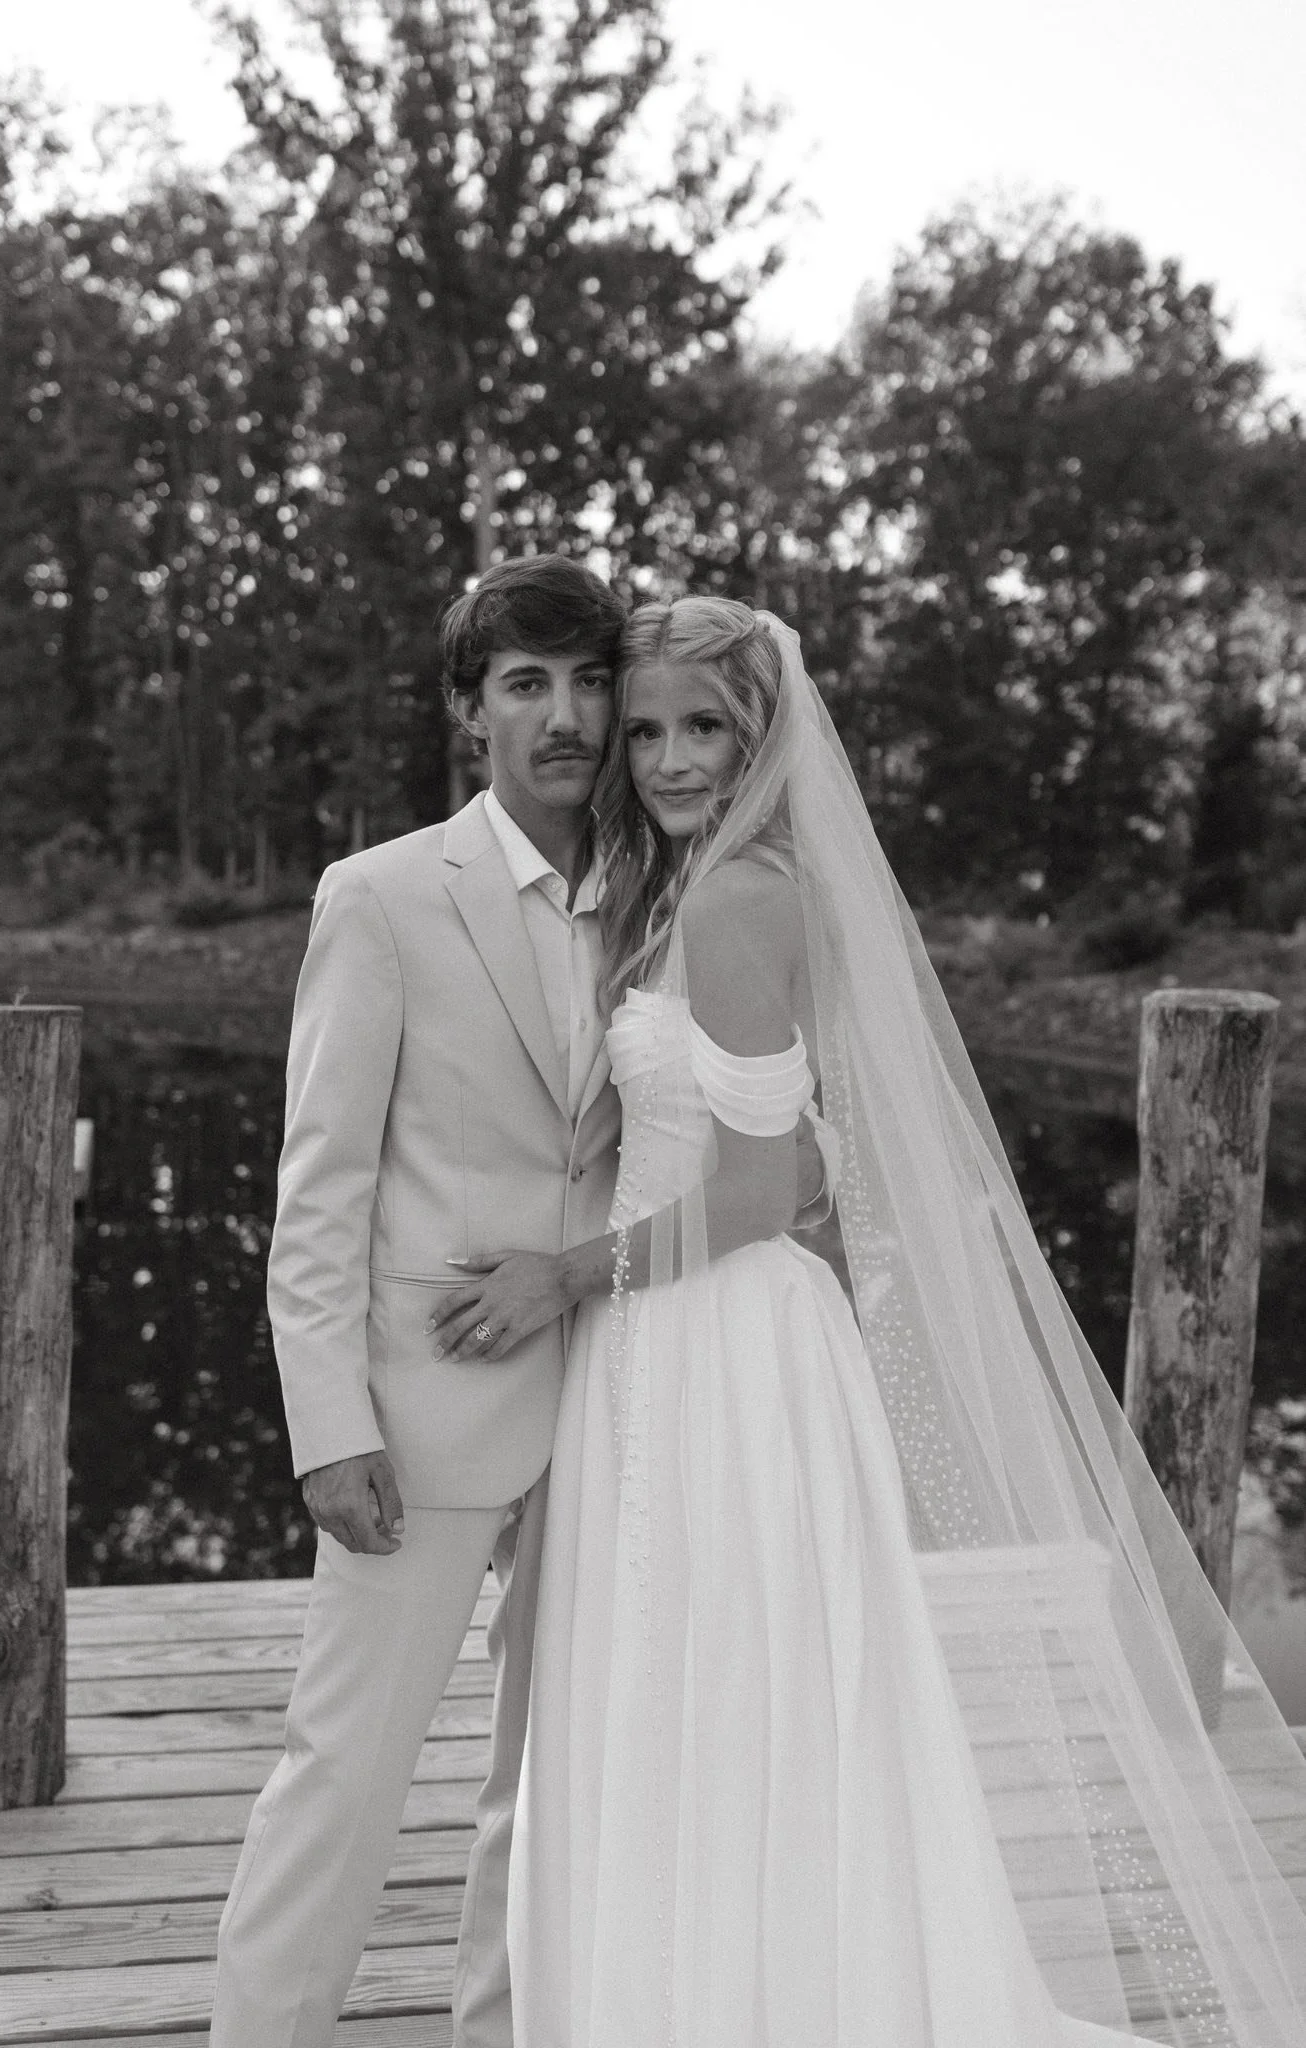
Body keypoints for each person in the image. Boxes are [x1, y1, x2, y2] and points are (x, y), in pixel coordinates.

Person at [431, 598, 1306, 2046]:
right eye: (644, 728)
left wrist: (560, 1274)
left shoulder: (736, 895)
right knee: (699, 1684)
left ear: (763, 731)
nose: (664, 759)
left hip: (714, 1341)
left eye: (701, 725)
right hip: (671, 1336)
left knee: (718, 1687)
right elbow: (803, 1147)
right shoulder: (698, 882)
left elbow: (760, 1187)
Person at [208, 554, 628, 2048]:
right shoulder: (380, 897)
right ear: (472, 713)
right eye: (527, 684)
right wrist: (327, 1422)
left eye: (588, 681)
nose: (564, 715)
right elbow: (316, 1185)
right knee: (346, 1768)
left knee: (550, 1778)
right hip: (421, 1406)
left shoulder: (667, 887)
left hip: (619, 1399)